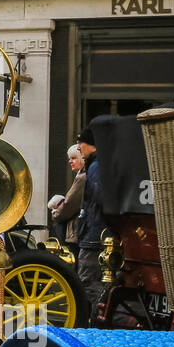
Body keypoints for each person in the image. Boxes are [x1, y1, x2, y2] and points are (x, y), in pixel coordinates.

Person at [75, 125, 105, 322]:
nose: (78, 147)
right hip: (94, 233)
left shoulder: (95, 167)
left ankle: (95, 323)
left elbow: (97, 201)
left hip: (93, 236)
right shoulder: (97, 166)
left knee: (88, 282)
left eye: (80, 142)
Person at [47, 144, 85, 259]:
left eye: (73, 158)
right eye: (70, 158)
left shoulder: (82, 178)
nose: (70, 161)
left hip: (76, 232)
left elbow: (69, 206)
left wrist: (55, 214)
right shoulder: (82, 175)